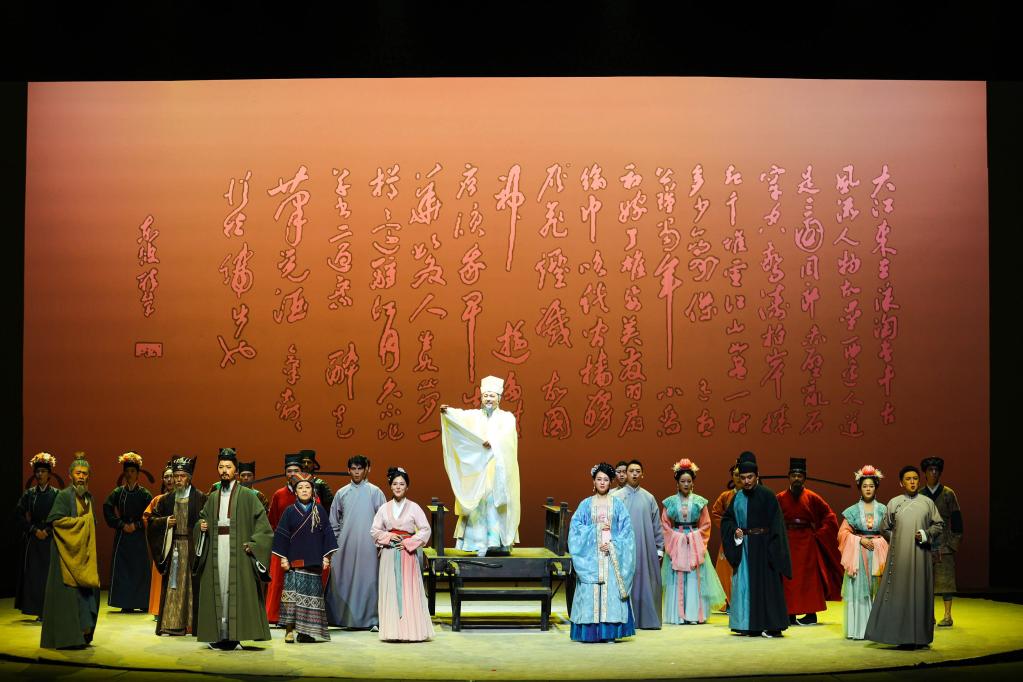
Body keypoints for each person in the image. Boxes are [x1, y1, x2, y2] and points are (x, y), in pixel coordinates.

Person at [193, 448, 274, 650]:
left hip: (238, 549)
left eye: (228, 467)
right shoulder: (213, 496)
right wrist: (201, 526)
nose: (224, 471)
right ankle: (221, 635)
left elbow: (264, 527)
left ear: (235, 470)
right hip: (216, 548)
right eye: (221, 467)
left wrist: (254, 544)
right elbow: (202, 518)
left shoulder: (248, 496)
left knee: (234, 590)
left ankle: (235, 634)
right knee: (219, 587)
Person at [864, 465, 944, 649]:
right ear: (901, 483)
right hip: (899, 557)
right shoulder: (894, 503)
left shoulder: (927, 503)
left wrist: (925, 534)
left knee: (920, 592)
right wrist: (898, 539)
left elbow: (938, 525)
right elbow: (884, 528)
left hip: (921, 556)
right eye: (908, 479)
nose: (912, 482)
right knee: (900, 593)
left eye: (915, 478)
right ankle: (899, 635)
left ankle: (920, 637)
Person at [439, 375, 520, 556]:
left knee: (493, 504)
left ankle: (497, 543)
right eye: (485, 396)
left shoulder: (507, 418)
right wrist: (448, 412)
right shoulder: (476, 416)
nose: (488, 399)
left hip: (497, 470)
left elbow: (508, 437)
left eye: (492, 396)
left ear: (499, 398)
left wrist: (494, 442)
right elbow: (461, 416)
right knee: (477, 503)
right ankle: (477, 543)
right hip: (479, 470)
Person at [721, 451, 791, 638]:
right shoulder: (738, 497)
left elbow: (777, 523)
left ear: (757, 476)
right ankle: (747, 625)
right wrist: (735, 529)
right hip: (745, 548)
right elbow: (727, 520)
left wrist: (774, 549)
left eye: (750, 477)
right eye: (743, 478)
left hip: (764, 546)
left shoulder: (767, 495)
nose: (746, 481)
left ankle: (771, 625)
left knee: (767, 586)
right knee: (745, 585)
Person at [568, 462, 636, 643]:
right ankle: (589, 633)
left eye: (606, 479)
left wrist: (613, 545)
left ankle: (609, 633)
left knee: (611, 594)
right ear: (593, 481)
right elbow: (575, 530)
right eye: (599, 479)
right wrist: (596, 531)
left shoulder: (618, 505)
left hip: (612, 557)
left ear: (610, 482)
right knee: (589, 593)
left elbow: (627, 532)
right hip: (591, 558)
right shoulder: (585, 504)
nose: (602, 482)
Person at [41, 453, 100, 649]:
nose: (81, 476)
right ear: (70, 475)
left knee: (87, 594)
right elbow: (56, 521)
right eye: (78, 473)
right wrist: (84, 523)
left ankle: (82, 635)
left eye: (85, 473)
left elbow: (91, 524)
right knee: (68, 597)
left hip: (83, 556)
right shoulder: (64, 495)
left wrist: (86, 524)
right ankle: (68, 638)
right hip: (64, 554)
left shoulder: (89, 498)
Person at [370, 466, 434, 642]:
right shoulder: (384, 508)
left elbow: (425, 529)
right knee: (390, 590)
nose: (398, 487)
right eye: (395, 484)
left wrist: (407, 542)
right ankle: (392, 632)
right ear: (390, 486)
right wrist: (389, 537)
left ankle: (411, 632)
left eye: (402, 484)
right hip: (389, 553)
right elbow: (374, 530)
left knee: (409, 591)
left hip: (407, 554)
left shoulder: (414, 507)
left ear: (407, 487)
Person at [776, 457, 843, 625]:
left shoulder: (812, 497)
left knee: (809, 579)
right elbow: (772, 518)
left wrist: (819, 534)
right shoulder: (780, 497)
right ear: (789, 477)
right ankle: (789, 614)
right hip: (788, 541)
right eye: (793, 475)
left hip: (807, 542)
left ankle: (811, 614)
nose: (796, 479)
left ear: (804, 478)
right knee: (788, 579)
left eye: (800, 476)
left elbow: (829, 516)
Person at [146, 455, 206, 635]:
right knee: (173, 587)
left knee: (191, 587)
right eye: (176, 476)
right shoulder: (166, 499)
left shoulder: (200, 497)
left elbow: (207, 518)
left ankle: (192, 625)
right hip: (173, 548)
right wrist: (165, 522)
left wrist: (202, 526)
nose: (178, 479)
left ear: (189, 478)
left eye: (182, 476)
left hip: (192, 548)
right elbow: (152, 521)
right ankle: (172, 624)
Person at [661, 459, 726, 624]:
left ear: (693, 483)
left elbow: (706, 524)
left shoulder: (699, 502)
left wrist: (693, 537)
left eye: (689, 481)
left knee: (694, 577)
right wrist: (677, 538)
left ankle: (694, 615)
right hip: (677, 541)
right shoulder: (669, 502)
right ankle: (678, 615)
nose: (686, 484)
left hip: (694, 542)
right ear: (677, 483)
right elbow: (665, 525)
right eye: (682, 481)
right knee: (677, 576)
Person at [273, 477, 338, 643]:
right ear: (295, 492)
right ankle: (289, 631)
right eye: (300, 487)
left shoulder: (319, 510)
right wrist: (283, 558)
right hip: (294, 563)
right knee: (291, 599)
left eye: (307, 487)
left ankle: (306, 632)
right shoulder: (289, 511)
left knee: (311, 599)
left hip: (314, 562)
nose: (304, 490)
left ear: (313, 491)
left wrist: (326, 557)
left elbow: (328, 534)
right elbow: (281, 536)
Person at [326, 454, 386, 630]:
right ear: (348, 470)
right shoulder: (342, 493)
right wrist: (337, 544)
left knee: (369, 581)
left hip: (369, 545)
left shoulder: (375, 492)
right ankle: (343, 618)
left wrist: (380, 543)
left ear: (367, 470)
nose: (357, 472)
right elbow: (333, 521)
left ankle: (372, 619)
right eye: (353, 469)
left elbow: (384, 520)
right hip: (346, 545)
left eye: (360, 468)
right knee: (344, 580)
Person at [611, 458, 663, 629]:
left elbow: (657, 525)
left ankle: (646, 619)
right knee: (625, 580)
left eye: (637, 471)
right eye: (631, 471)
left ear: (642, 474)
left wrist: (659, 548)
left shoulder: (649, 498)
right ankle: (624, 619)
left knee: (646, 582)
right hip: (623, 549)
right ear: (625, 474)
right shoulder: (616, 497)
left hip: (645, 547)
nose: (634, 474)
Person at [838, 465, 888, 640]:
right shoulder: (852, 511)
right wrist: (859, 540)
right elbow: (842, 534)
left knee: (879, 589)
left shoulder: (883, 510)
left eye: (871, 486)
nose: (868, 489)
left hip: (878, 553)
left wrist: (879, 542)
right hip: (858, 554)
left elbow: (890, 532)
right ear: (860, 487)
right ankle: (859, 630)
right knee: (859, 591)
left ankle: (879, 629)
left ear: (876, 487)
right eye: (865, 486)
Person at [103, 451, 153, 612]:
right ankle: (125, 603)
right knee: (123, 569)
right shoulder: (118, 493)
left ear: (138, 473)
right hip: (122, 535)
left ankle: (142, 602)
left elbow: (150, 514)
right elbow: (107, 508)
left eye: (132, 471)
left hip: (138, 535)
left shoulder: (144, 494)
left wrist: (137, 525)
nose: (129, 474)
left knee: (140, 568)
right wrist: (120, 524)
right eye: (127, 471)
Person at [267, 453, 313, 624]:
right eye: (289, 471)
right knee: (279, 581)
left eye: (296, 470)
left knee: (302, 581)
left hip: (303, 544)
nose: (292, 474)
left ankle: (301, 617)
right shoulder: (279, 494)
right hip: (283, 544)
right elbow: (272, 521)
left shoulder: (308, 493)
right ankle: (276, 616)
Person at [920, 456, 962, 628]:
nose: (933, 473)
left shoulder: (948, 493)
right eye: (930, 470)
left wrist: (953, 544)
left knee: (946, 581)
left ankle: (948, 615)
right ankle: (928, 615)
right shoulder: (920, 494)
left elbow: (957, 520)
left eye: (936, 470)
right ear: (925, 473)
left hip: (944, 543)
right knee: (925, 582)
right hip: (925, 542)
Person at [15, 452, 59, 619]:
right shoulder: (29, 494)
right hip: (33, 539)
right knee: (34, 575)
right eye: (37, 471)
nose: (40, 474)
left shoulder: (56, 494)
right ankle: (37, 609)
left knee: (49, 575)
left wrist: (47, 530)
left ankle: (50, 610)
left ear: (49, 474)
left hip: (50, 538)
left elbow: (61, 516)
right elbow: (18, 515)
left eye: (43, 471)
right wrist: (33, 530)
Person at [143, 462, 175, 619]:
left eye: (172, 476)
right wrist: (165, 523)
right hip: (161, 543)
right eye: (166, 477)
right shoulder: (158, 500)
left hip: (179, 542)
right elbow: (147, 519)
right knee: (160, 575)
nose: (169, 480)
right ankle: (158, 609)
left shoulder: (184, 498)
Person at [710, 462, 740, 612]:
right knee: (726, 570)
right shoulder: (726, 496)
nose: (739, 478)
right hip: (729, 537)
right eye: (736, 475)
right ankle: (727, 601)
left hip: (747, 535)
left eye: (741, 475)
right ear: (732, 477)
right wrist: (728, 527)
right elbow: (716, 513)